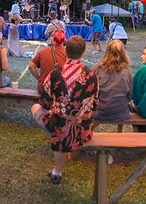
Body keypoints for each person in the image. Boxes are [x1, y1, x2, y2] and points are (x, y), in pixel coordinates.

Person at [31, 35, 98, 188]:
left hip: (61, 127)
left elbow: (45, 102)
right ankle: (57, 167)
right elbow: (95, 104)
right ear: (82, 53)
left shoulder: (54, 74)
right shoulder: (92, 76)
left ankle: (57, 171)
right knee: (63, 122)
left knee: (36, 108)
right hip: (83, 130)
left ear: (66, 51)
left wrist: (60, 105)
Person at [92, 40, 133, 122]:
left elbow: (91, 91)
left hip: (100, 111)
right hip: (120, 112)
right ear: (123, 53)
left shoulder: (97, 69)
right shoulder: (127, 71)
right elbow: (130, 95)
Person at [29, 30, 67, 96]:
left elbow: (31, 66)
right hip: (60, 90)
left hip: (43, 88)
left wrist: (39, 78)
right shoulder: (67, 54)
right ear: (64, 41)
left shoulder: (43, 52)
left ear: (53, 40)